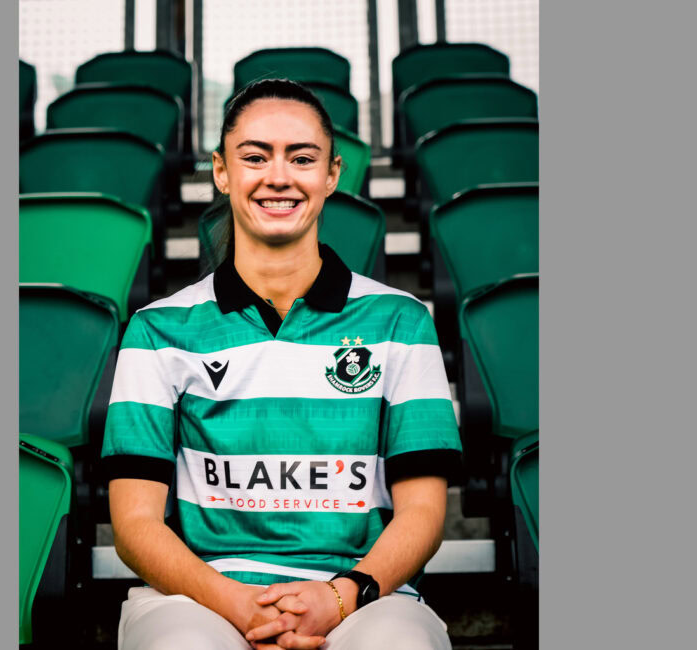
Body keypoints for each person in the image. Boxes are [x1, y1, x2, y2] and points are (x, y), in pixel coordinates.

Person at [101, 78, 462, 649]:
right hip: (198, 597)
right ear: (222, 172)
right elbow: (135, 524)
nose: (278, 176)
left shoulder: (402, 321)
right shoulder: (156, 330)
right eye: (254, 157)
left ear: (332, 175)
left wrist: (338, 596)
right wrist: (240, 605)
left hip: (365, 596)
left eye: (301, 157)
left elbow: (422, 511)